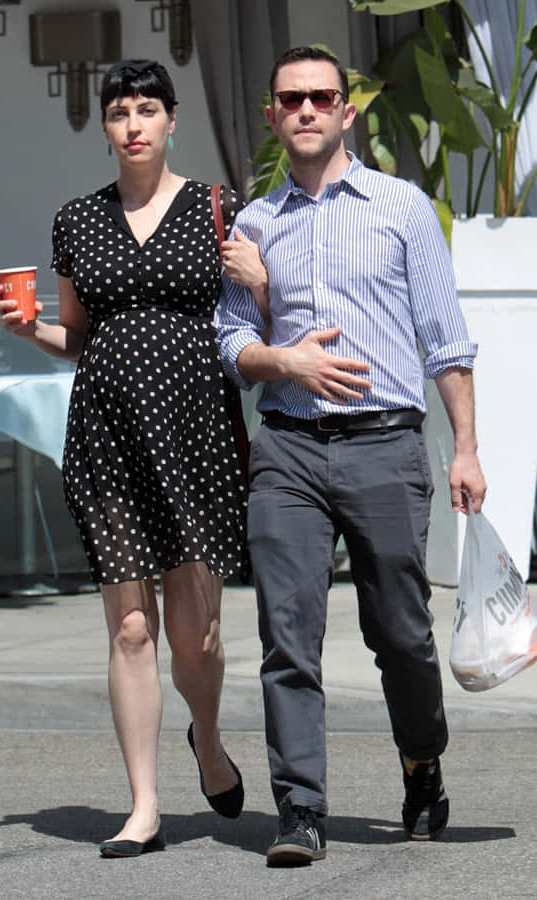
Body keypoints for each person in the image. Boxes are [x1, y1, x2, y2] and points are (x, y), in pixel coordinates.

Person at [215, 46, 487, 866]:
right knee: (285, 633)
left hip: (384, 444)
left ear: (345, 111)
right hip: (289, 448)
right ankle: (299, 808)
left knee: (400, 633)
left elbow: (445, 339)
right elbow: (230, 341)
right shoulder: (252, 226)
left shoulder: (401, 208)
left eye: (319, 96)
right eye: (289, 98)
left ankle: (420, 763)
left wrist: (466, 448)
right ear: (271, 114)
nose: (304, 109)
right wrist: (280, 351)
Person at [0, 59, 267, 858]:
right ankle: (143, 804)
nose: (134, 124)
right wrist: (29, 331)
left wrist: (263, 278)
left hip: (196, 436)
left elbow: (257, 313)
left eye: (148, 109)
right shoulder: (76, 220)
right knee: (130, 630)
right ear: (107, 127)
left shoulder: (217, 207)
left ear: (171, 119)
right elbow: (77, 337)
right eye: (120, 112)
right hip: (107, 434)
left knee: (196, 637)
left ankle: (207, 742)